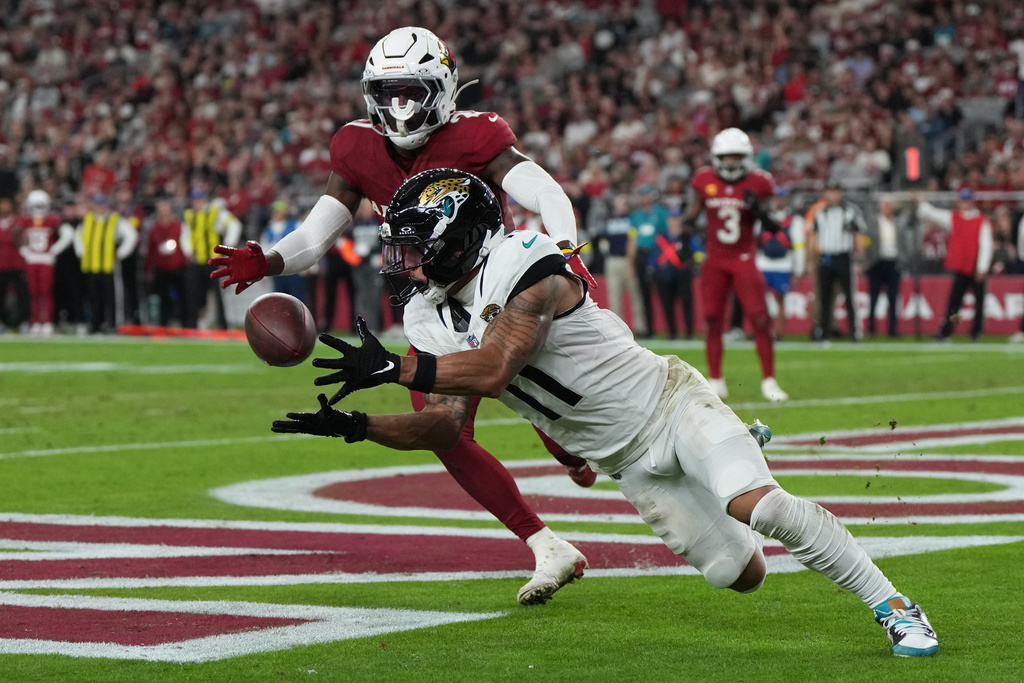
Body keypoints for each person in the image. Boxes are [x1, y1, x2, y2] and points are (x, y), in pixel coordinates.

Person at [275, 169, 938, 658]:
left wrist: (396, 368)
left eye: (418, 244)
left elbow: (500, 363)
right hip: (626, 462)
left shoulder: (525, 260)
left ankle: (896, 605)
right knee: (742, 574)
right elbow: (447, 424)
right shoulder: (427, 312)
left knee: (755, 504)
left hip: (668, 403)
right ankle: (740, 448)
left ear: (459, 235)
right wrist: (360, 427)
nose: (405, 262)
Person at [209, 26, 598, 606]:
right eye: (387, 92)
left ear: (440, 89)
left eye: (411, 92)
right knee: (444, 430)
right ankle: (545, 543)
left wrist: (564, 248)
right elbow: (319, 232)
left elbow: (547, 194)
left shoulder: (477, 134)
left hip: (496, 285)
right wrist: (269, 258)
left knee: (557, 411)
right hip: (427, 302)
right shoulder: (356, 146)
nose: (399, 106)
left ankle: (587, 449)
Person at [680, 128, 788, 402]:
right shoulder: (703, 180)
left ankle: (769, 380)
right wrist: (685, 239)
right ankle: (715, 379)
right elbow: (691, 216)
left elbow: (774, 226)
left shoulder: (759, 182)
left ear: (745, 157)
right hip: (715, 258)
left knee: (760, 318)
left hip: (744, 257)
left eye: (735, 156)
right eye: (725, 157)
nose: (729, 162)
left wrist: (759, 210)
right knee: (712, 318)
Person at [916, 188, 993, 341]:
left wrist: (982, 268)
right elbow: (933, 214)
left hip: (975, 267)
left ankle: (975, 332)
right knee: (954, 304)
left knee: (979, 303)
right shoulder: (954, 217)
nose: (964, 203)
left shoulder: (981, 220)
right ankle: (947, 331)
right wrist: (920, 202)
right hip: (961, 268)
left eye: (967, 200)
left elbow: (986, 245)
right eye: (962, 200)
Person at [806, 182, 868, 343]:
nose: (833, 195)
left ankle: (855, 333)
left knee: (849, 296)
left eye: (836, 192)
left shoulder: (851, 211)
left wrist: (860, 259)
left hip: (843, 257)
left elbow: (858, 236)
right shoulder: (820, 213)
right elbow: (814, 237)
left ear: (841, 193)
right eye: (830, 191)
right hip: (825, 257)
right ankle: (823, 333)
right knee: (824, 298)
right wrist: (811, 260)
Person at [72, 193, 138, 334]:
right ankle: (96, 323)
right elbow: (78, 236)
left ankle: (113, 324)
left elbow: (131, 235)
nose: (99, 208)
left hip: (109, 265)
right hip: (91, 265)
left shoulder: (114, 220)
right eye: (97, 204)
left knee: (112, 297)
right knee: (94, 297)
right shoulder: (88, 220)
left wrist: (121, 253)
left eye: (102, 205)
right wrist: (82, 253)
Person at [16, 190, 74, 337]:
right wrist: (23, 249)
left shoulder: (52, 219)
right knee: (34, 293)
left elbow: (68, 233)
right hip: (32, 260)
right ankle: (36, 322)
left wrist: (54, 250)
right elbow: (14, 233)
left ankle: (47, 322)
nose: (38, 208)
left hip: (45, 261)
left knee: (45, 293)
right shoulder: (26, 220)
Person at [185, 189, 242, 330]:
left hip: (216, 261)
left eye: (199, 200)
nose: (196, 204)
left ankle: (225, 325)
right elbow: (185, 234)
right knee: (197, 295)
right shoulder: (190, 216)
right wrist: (188, 251)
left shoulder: (215, 213)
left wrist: (227, 247)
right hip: (198, 261)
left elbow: (235, 226)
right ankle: (197, 324)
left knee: (220, 295)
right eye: (194, 201)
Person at [755, 187, 805, 340]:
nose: (778, 201)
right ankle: (761, 331)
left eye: (780, 198)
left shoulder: (794, 220)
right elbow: (755, 242)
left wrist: (799, 269)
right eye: (775, 198)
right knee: (757, 301)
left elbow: (799, 246)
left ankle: (779, 332)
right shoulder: (761, 218)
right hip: (763, 263)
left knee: (781, 300)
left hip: (783, 265)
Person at [626, 185, 669, 338]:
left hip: (656, 254)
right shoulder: (636, 216)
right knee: (643, 294)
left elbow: (666, 236)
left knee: (663, 292)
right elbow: (632, 239)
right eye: (642, 196)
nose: (644, 199)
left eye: (647, 195)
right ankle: (649, 329)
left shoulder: (661, 214)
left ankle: (670, 329)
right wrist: (630, 263)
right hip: (641, 255)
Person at [598, 193, 645, 333]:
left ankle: (640, 326)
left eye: (624, 204)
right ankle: (618, 329)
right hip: (612, 260)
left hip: (627, 260)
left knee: (635, 295)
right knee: (614, 295)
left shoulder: (632, 220)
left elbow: (633, 239)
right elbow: (603, 238)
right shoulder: (609, 220)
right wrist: (604, 248)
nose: (621, 207)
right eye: (619, 204)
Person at [143, 199, 193, 328]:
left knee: (184, 298)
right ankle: (163, 324)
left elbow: (185, 245)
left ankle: (186, 323)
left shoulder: (179, 227)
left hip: (179, 267)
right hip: (161, 269)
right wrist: (148, 269)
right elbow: (151, 251)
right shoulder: (154, 230)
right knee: (163, 299)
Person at [865, 197, 903, 338]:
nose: (887, 208)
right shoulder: (873, 222)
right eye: (885, 205)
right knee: (873, 297)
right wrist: (865, 260)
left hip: (893, 262)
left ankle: (893, 328)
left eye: (890, 205)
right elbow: (866, 241)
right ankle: (871, 328)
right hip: (876, 262)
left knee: (893, 298)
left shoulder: (897, 222)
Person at [0, 196, 30, 333]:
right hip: (1, 264)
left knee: (22, 294)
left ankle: (25, 321)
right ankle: (2, 321)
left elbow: (22, 239)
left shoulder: (19, 221)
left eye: (6, 203)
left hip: (18, 264)